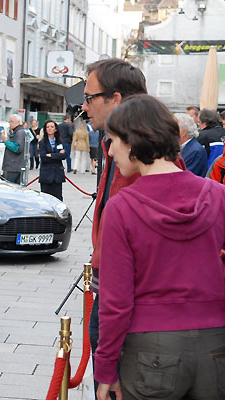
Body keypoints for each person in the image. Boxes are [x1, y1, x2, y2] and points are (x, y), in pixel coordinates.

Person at [96, 94, 225, 400]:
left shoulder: (121, 208)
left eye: (113, 140)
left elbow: (115, 302)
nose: (111, 149)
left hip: (151, 349)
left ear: (132, 142)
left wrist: (105, 369)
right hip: (217, 345)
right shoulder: (220, 195)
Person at [81, 57, 152, 400]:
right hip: (112, 290)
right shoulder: (114, 146)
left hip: (129, 299)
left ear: (116, 99)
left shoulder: (143, 154)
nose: (84, 106)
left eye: (90, 97)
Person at [38, 120, 66, 200]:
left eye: (52, 127)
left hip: (57, 175)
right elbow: (43, 157)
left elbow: (64, 156)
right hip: (46, 175)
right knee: (46, 199)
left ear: (55, 129)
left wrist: (51, 155)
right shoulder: (42, 142)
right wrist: (58, 155)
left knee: (58, 198)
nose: (50, 128)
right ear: (45, 129)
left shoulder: (59, 141)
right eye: (48, 127)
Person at [1, 114, 27, 184]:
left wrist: (6, 141)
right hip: (14, 166)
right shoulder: (17, 131)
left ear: (18, 122)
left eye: (12, 122)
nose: (10, 124)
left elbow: (17, 148)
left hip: (13, 167)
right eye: (9, 122)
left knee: (10, 188)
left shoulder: (20, 132)